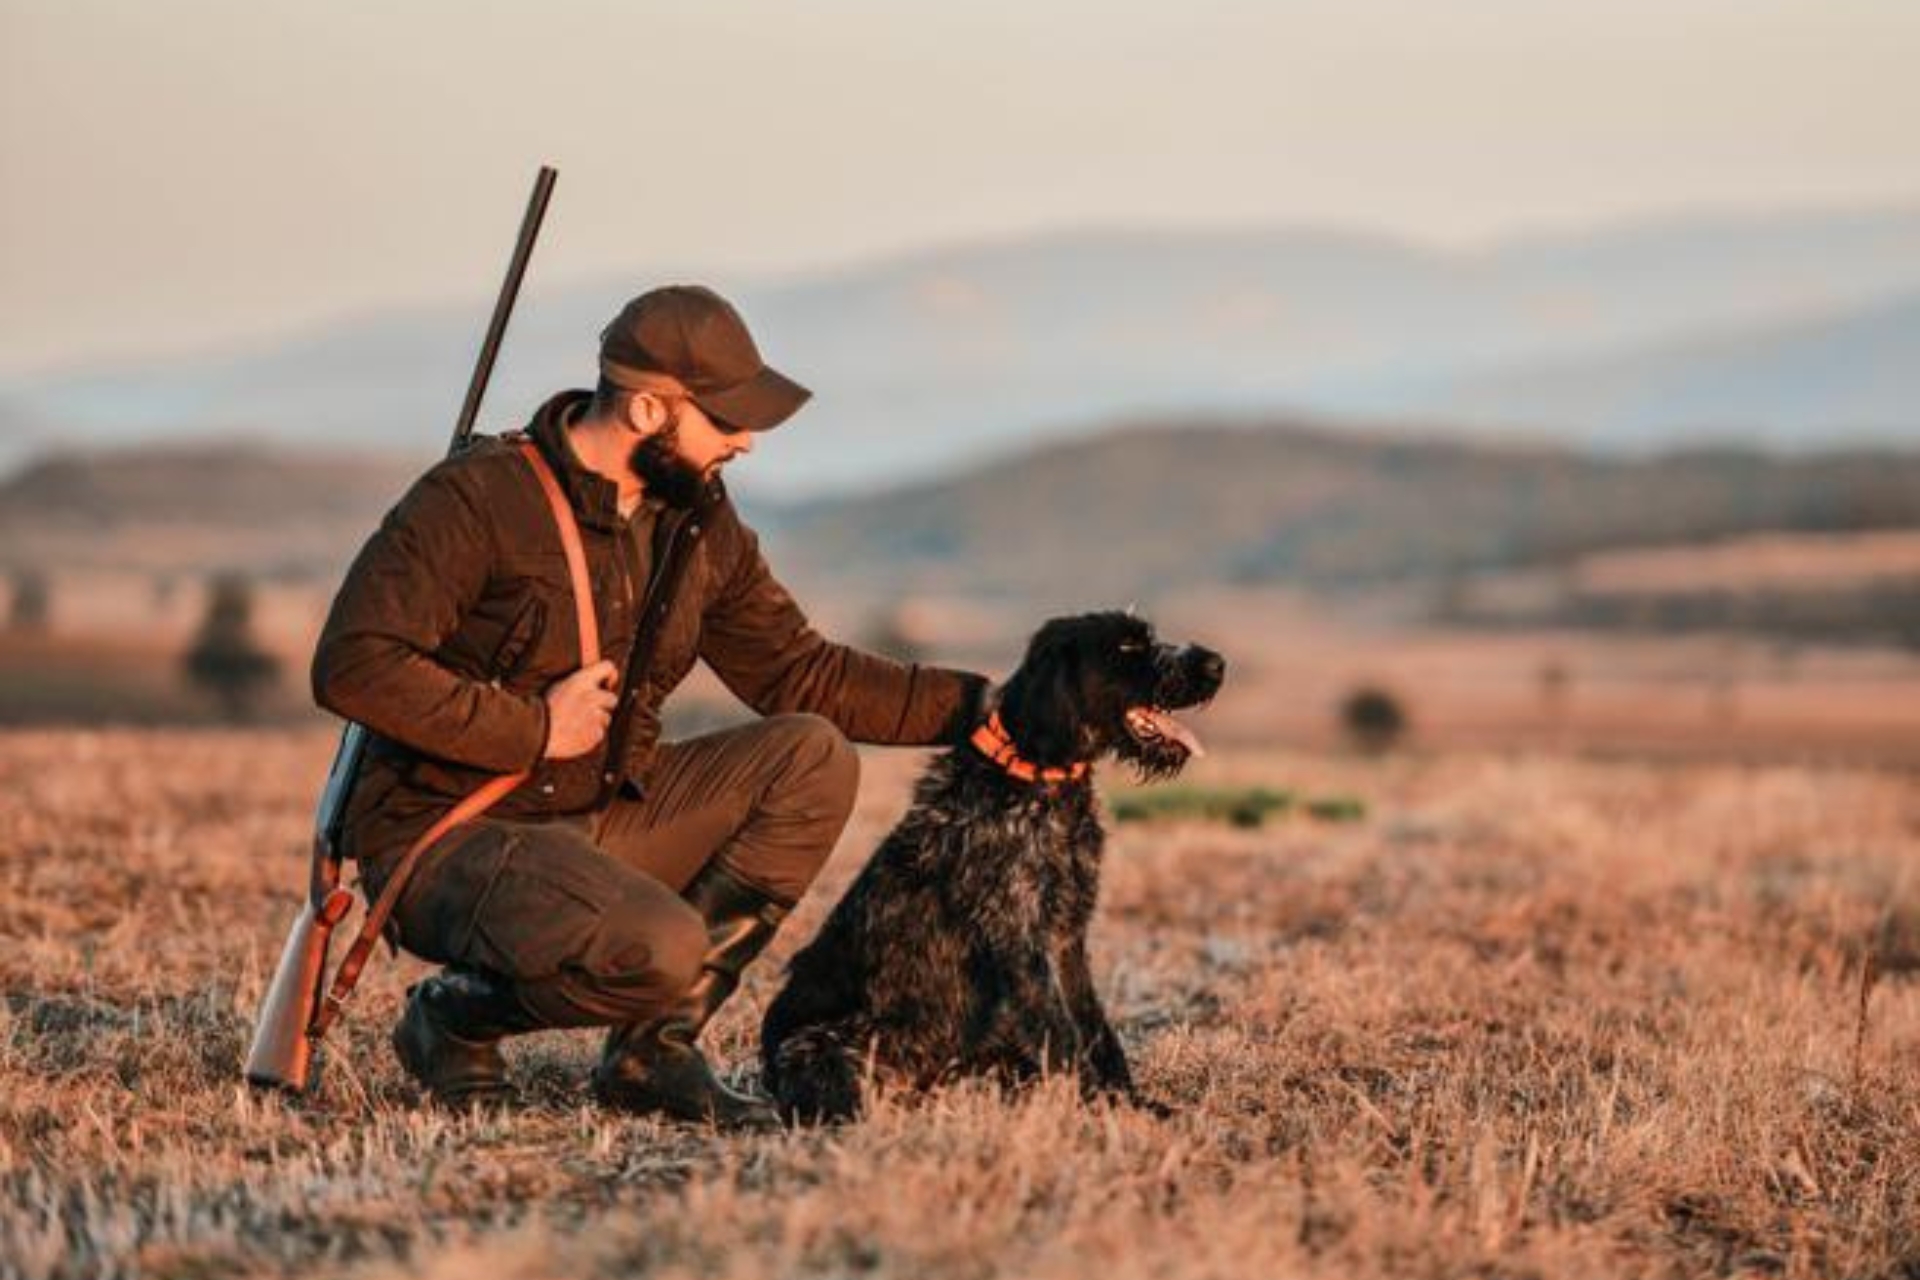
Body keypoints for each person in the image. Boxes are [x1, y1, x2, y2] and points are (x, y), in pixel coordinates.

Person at [311, 285, 988, 1128]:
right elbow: (353, 666)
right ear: (644, 410)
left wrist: (993, 708)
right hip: (450, 835)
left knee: (810, 756)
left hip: (592, 815)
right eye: (724, 418)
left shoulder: (696, 521)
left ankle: (650, 1053)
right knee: (665, 949)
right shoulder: (476, 499)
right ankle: (452, 1017)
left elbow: (802, 674)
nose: (745, 440)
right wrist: (534, 728)